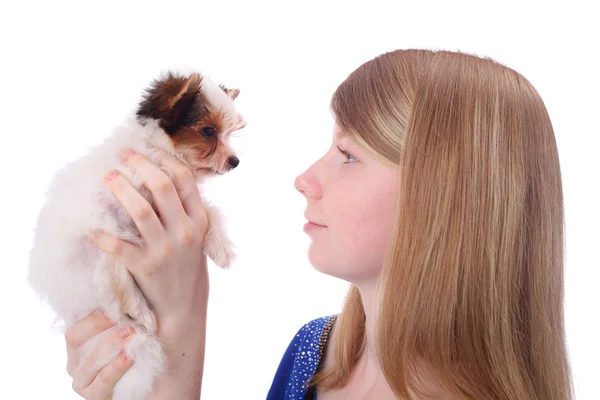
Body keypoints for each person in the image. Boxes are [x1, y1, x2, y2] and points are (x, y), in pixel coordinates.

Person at [63, 49, 574, 399]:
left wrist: (183, 330)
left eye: (347, 155)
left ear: (444, 193)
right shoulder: (314, 355)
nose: (304, 179)